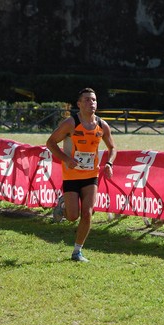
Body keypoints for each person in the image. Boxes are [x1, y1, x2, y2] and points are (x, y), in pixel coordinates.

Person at [46, 88, 117, 263]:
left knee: (88, 213)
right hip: (71, 176)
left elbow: (112, 148)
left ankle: (77, 251)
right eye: (86, 100)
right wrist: (66, 159)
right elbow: (51, 142)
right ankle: (63, 207)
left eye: (93, 100)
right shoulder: (71, 123)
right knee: (72, 217)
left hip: (91, 175)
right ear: (79, 104)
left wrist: (109, 164)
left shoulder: (102, 125)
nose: (90, 103)